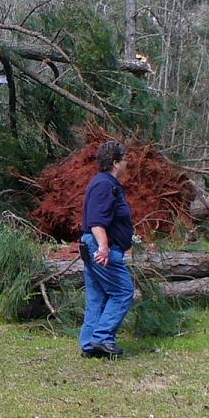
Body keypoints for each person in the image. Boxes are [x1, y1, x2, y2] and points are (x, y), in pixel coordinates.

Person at [79, 140, 136, 359]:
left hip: (95, 245)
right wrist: (103, 247)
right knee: (123, 291)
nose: (127, 163)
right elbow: (96, 221)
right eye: (125, 160)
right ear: (115, 162)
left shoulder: (103, 183)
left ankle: (90, 344)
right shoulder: (104, 185)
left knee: (98, 296)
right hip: (102, 247)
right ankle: (102, 337)